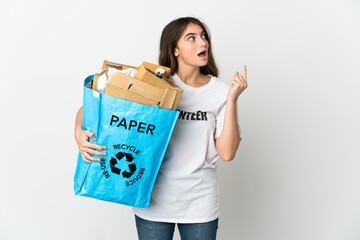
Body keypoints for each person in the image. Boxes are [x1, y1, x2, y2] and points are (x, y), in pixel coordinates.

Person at [74, 16, 247, 240]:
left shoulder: (220, 92)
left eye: (204, 37)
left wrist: (232, 100)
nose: (203, 43)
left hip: (199, 203)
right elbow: (100, 103)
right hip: (152, 200)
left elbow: (227, 153)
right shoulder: (157, 86)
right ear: (175, 49)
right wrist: (79, 132)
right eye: (191, 38)